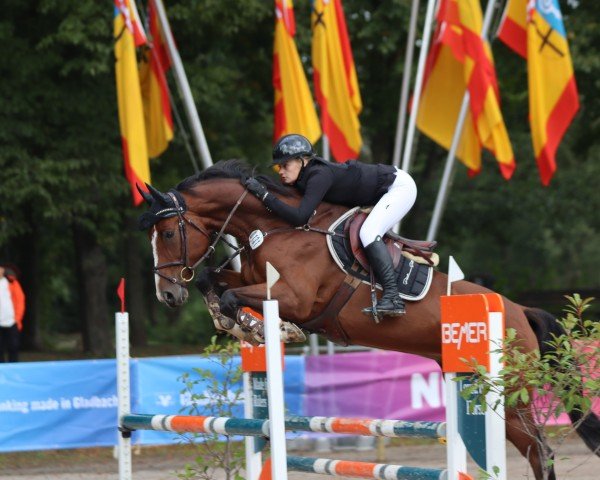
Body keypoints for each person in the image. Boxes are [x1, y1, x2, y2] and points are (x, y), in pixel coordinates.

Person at [244, 134, 417, 316]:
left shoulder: (319, 175)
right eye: (279, 166)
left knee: (368, 232)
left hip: (398, 188)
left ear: (302, 160)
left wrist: (264, 196)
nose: (280, 171)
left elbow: (300, 217)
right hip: (381, 192)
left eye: (285, 165)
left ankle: (393, 297)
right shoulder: (304, 178)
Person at [0, 264, 26, 362]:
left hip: (11, 321)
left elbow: (20, 300)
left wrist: (17, 318)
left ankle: (14, 371)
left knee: (13, 347)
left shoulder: (12, 282)